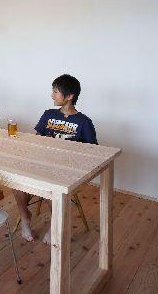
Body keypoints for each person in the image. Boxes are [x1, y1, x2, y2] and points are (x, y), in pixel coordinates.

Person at [14, 74, 97, 242]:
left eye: (56, 92)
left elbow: (92, 152)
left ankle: (55, 223)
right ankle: (25, 217)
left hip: (66, 168)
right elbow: (37, 139)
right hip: (43, 161)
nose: (52, 95)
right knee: (15, 178)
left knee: (52, 185)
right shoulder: (48, 114)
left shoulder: (84, 122)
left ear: (69, 96)